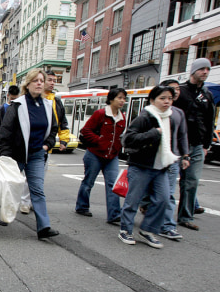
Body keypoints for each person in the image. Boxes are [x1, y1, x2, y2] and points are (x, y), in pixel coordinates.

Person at [0, 69, 59, 240]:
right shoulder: (18, 104)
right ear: (28, 84)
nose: (39, 83)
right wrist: (6, 155)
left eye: (41, 80)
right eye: (35, 80)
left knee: (37, 190)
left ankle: (43, 227)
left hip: (37, 155)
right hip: (16, 155)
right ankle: (3, 214)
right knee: (11, 187)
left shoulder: (47, 105)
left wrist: (47, 145)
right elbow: (5, 131)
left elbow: (53, 129)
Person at [118, 86, 180, 248]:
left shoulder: (171, 118)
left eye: (169, 98)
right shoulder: (145, 117)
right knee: (133, 200)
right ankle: (125, 229)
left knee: (164, 199)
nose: (167, 102)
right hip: (141, 165)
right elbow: (128, 139)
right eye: (162, 98)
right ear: (152, 100)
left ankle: (148, 229)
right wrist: (154, 133)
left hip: (162, 168)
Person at [139, 80, 190, 240]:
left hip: (170, 161)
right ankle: (146, 215)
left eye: (173, 93)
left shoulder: (178, 113)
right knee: (144, 195)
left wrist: (185, 155)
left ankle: (166, 226)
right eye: (165, 96)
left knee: (166, 195)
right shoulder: (148, 114)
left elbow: (182, 135)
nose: (170, 98)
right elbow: (135, 136)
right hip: (149, 161)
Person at [175, 58, 216, 231]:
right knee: (163, 178)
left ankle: (185, 216)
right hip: (176, 144)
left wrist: (206, 145)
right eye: (202, 69)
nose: (205, 72)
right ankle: (148, 204)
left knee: (191, 181)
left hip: (197, 145)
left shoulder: (207, 95)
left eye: (208, 69)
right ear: (193, 71)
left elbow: (209, 121)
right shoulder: (180, 92)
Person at [75, 88, 126, 223]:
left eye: (124, 98)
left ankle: (114, 215)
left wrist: (118, 147)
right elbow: (85, 130)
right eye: (119, 97)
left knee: (113, 184)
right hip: (94, 154)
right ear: (111, 99)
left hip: (112, 156)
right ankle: (82, 206)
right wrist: (99, 140)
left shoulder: (122, 117)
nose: (122, 101)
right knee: (88, 182)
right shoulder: (100, 114)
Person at [0, 85, 19, 150]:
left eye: (15, 99)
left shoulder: (20, 108)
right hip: (4, 142)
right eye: (12, 98)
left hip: (16, 142)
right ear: (8, 95)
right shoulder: (2, 109)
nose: (13, 101)